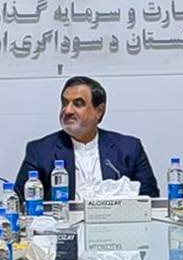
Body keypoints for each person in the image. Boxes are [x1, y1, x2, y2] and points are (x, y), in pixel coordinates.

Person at [16, 76, 159, 200]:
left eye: (78, 104)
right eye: (65, 103)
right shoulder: (40, 151)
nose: (68, 110)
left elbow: (150, 200)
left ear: (99, 111)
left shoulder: (129, 148)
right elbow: (21, 202)